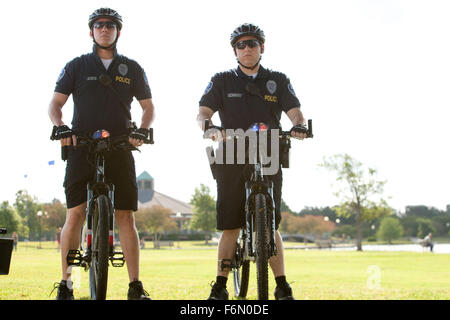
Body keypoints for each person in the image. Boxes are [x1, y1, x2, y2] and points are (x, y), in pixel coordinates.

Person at [48, 8, 154, 300]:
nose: (104, 29)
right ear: (91, 31)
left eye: (110, 25)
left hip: (121, 144)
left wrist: (142, 130)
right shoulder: (77, 66)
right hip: (81, 144)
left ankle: (135, 286)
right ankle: (67, 284)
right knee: (76, 213)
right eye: (99, 25)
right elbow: (55, 104)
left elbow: (148, 107)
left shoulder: (131, 68)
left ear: (118, 31)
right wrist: (61, 127)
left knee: (126, 217)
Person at [197, 23, 308, 300]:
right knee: (231, 224)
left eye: (253, 44)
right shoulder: (222, 80)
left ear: (262, 48)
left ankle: (282, 285)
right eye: (242, 45)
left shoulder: (278, 80)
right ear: (235, 50)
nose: (247, 48)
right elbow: (203, 111)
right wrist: (208, 125)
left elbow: (295, 112)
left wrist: (299, 126)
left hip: (269, 147)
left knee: (271, 223)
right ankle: (220, 286)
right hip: (232, 149)